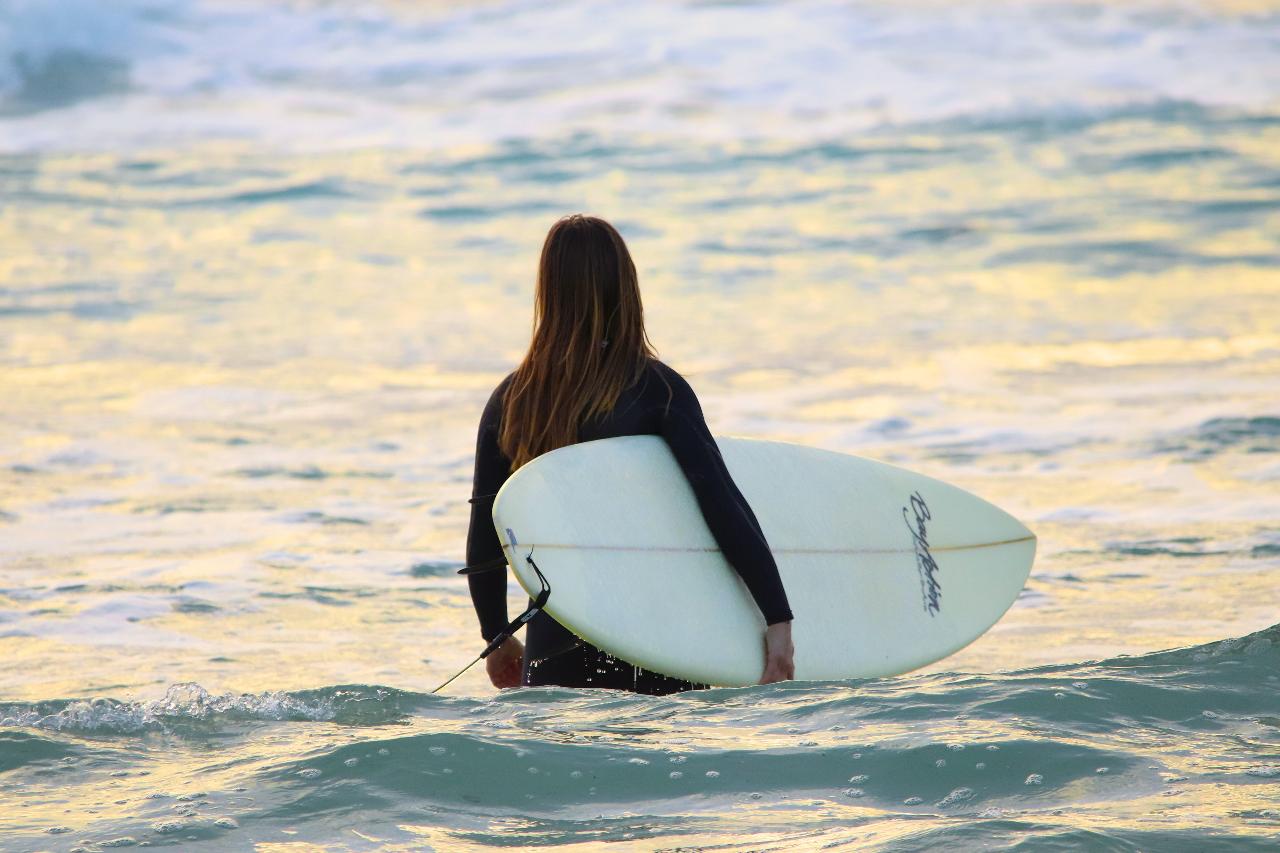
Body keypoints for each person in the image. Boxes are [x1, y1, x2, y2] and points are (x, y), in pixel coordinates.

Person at [465, 214, 795, 695]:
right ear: (626, 286)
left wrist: (496, 636)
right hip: (655, 635)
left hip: (556, 641)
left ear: (548, 291)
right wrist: (777, 617)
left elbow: (485, 536)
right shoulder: (655, 390)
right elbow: (721, 506)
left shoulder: (512, 399)